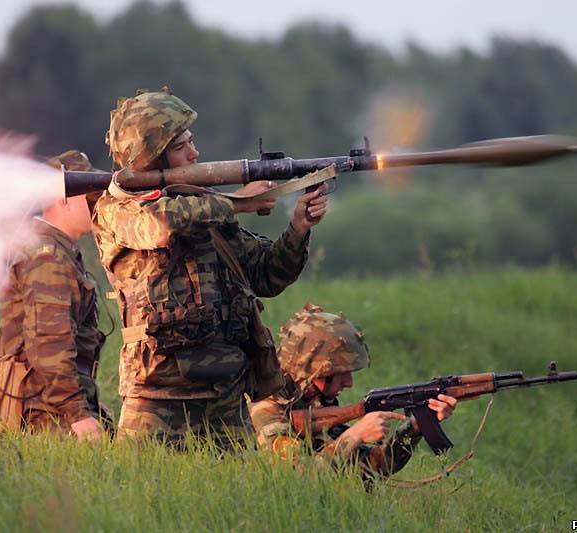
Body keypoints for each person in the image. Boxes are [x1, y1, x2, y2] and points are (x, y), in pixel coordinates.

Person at [92, 87, 329, 446]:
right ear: (151, 159)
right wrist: (236, 202)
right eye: (180, 146)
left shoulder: (202, 205)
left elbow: (266, 275)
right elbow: (160, 225)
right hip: (156, 397)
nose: (194, 153)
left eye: (192, 141)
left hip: (226, 396)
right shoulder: (116, 210)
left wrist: (298, 228)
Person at [249, 304, 457, 479]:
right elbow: (296, 480)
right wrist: (354, 435)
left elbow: (374, 467)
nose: (349, 382)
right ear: (314, 370)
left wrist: (416, 425)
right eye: (342, 373)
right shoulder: (267, 406)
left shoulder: (312, 402)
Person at [0, 150, 113, 441]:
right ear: (64, 199)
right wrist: (79, 416)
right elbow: (50, 344)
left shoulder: (58, 250)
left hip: (51, 410)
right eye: (90, 196)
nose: (99, 204)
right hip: (45, 419)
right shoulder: (48, 257)